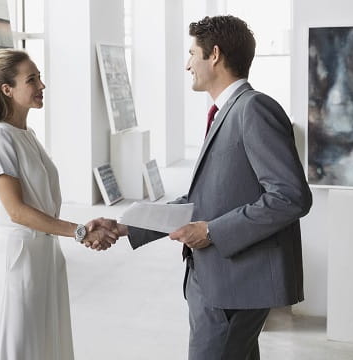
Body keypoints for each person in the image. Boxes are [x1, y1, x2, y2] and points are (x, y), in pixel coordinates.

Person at [94, 15, 312, 359]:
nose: (187, 64)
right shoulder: (227, 112)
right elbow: (201, 200)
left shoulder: (253, 109)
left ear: (214, 54)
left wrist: (212, 231)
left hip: (234, 282)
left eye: (192, 53)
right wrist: (124, 226)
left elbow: (290, 197)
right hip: (219, 281)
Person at [0, 49, 117, 360]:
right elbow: (17, 211)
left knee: (45, 343)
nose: (42, 85)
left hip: (45, 256)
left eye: (39, 77)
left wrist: (84, 227)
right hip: (18, 260)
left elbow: (41, 205)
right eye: (32, 79)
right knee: (18, 345)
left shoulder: (28, 135)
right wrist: (79, 231)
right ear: (7, 90)